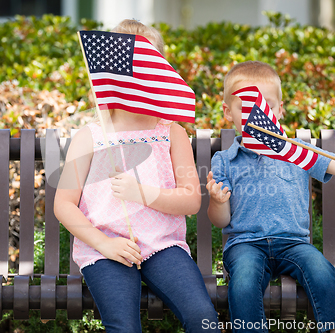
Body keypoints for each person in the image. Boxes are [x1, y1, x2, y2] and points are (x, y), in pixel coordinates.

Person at [206, 61, 335, 333]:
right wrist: (217, 200)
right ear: (228, 112)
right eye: (246, 108)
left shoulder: (296, 151)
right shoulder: (225, 161)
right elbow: (220, 220)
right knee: (244, 280)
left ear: (280, 110)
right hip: (246, 244)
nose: (258, 115)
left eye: (267, 106)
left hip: (293, 242)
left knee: (321, 270)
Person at [54, 19, 219, 333]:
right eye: (131, 62)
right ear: (112, 71)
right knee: (124, 327)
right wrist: (104, 244)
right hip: (106, 249)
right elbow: (64, 204)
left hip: (162, 246)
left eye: (148, 62)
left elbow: (190, 201)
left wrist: (141, 193)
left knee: (203, 318)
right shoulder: (90, 136)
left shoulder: (171, 133)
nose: (139, 71)